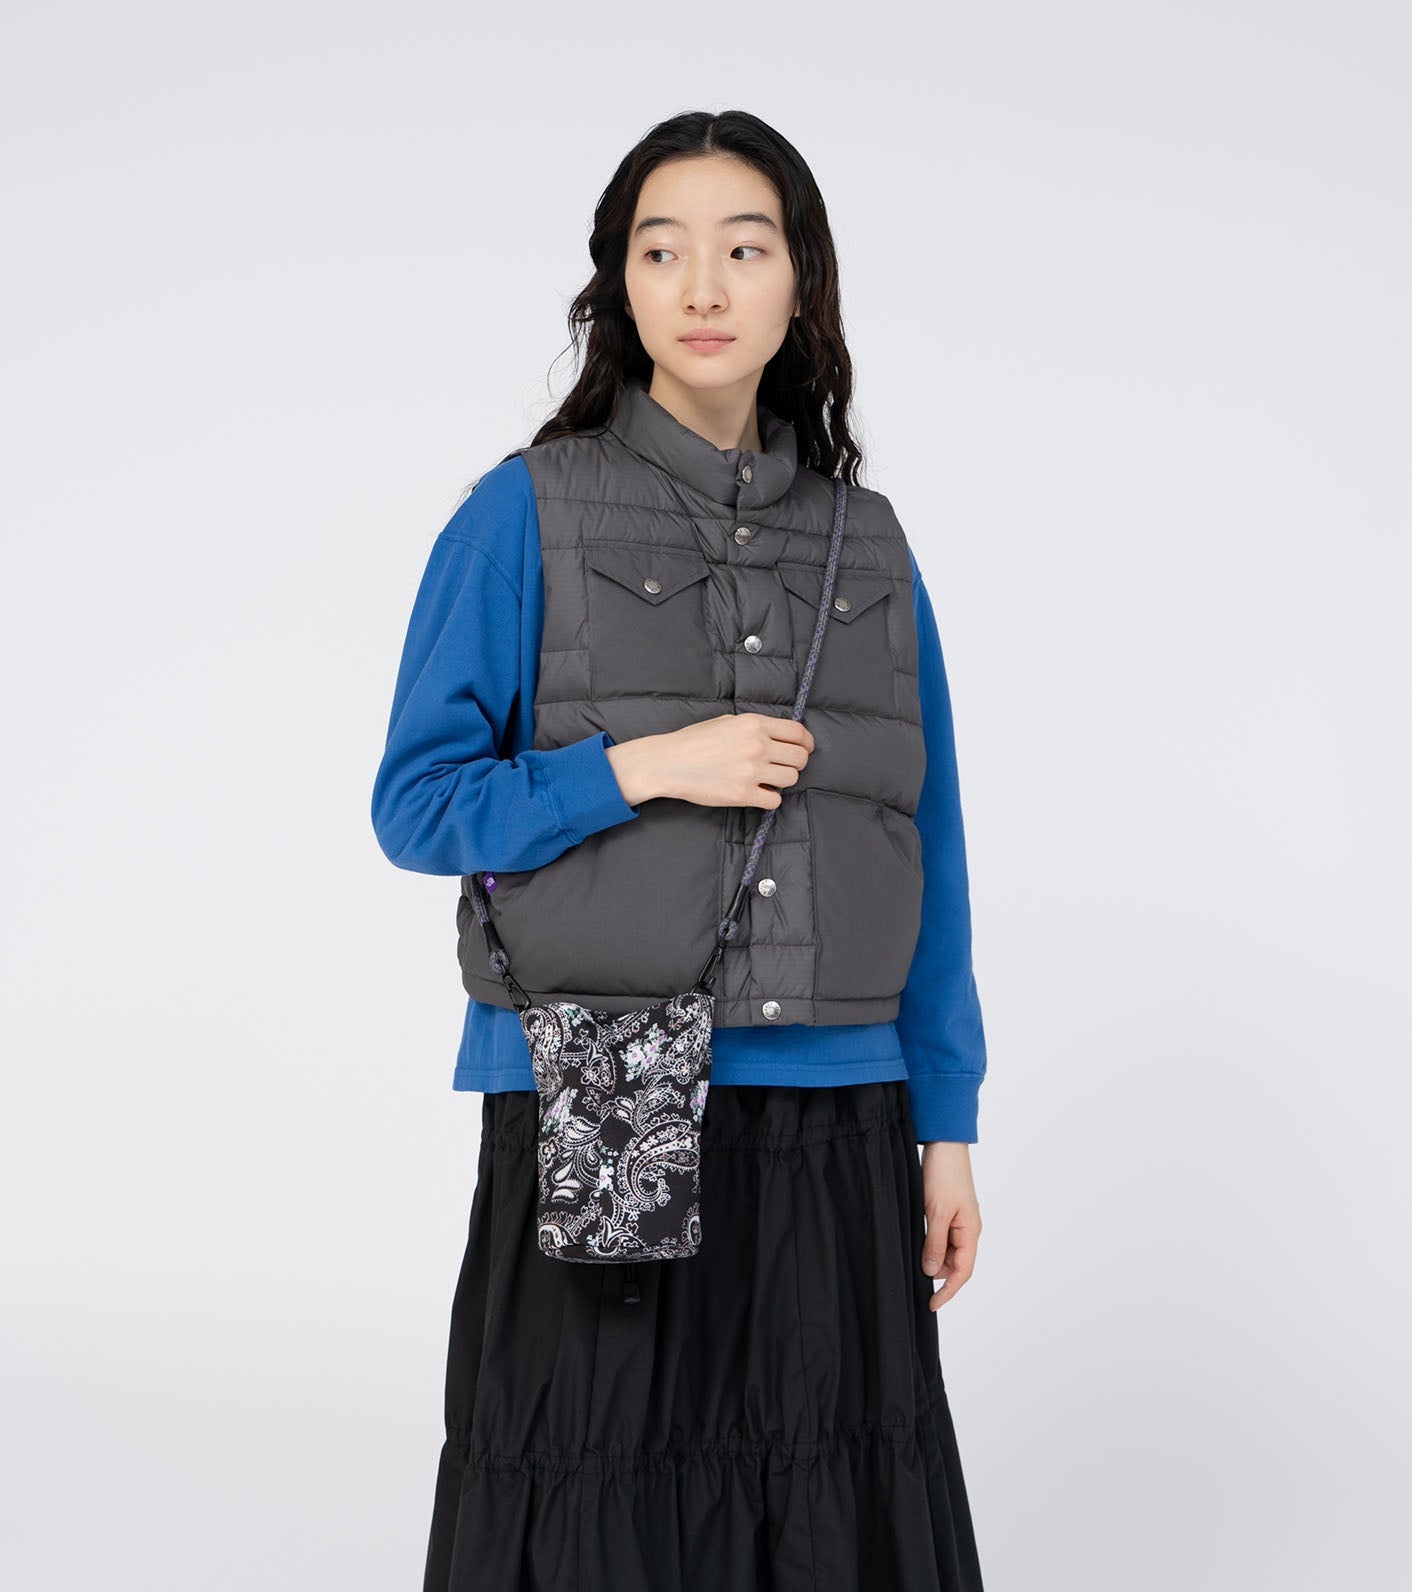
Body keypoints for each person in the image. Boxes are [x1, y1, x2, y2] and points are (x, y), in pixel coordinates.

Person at [371, 108, 989, 1592]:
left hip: (838, 1110)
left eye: (744, 249)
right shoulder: (523, 512)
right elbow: (419, 805)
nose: (703, 286)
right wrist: (642, 769)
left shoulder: (869, 542)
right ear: (620, 287)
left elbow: (933, 842)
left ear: (800, 285)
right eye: (662, 252)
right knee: (593, 1511)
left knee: (825, 1515)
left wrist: (948, 1121)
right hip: (601, 1096)